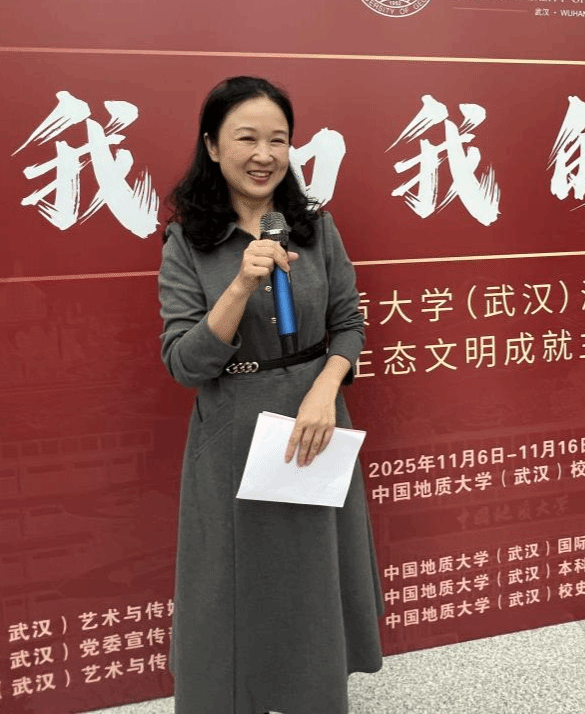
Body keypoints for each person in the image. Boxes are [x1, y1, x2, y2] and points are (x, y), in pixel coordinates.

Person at [158, 76, 384, 714]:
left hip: (316, 425)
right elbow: (184, 363)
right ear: (212, 146)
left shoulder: (315, 228)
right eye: (246, 138)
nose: (264, 155)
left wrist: (325, 389)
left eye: (278, 140)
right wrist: (239, 285)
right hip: (232, 434)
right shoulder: (188, 243)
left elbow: (349, 324)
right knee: (235, 586)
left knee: (311, 581)